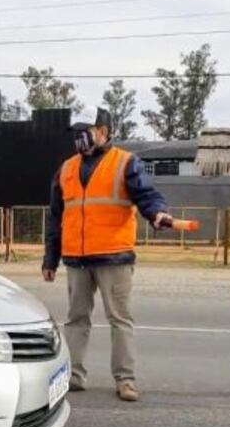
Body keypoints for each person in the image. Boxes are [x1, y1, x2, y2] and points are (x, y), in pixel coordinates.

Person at [41, 106, 172, 402]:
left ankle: (125, 379)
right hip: (77, 259)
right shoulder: (66, 169)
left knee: (120, 320)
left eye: (84, 131)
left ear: (103, 131)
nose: (79, 138)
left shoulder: (126, 163)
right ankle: (73, 375)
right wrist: (51, 258)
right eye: (75, 133)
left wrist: (159, 214)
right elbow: (55, 217)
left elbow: (147, 196)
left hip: (114, 257)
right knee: (76, 319)